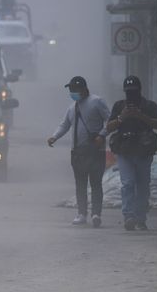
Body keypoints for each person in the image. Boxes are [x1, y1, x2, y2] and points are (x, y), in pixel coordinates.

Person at [47, 76, 111, 227]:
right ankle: (81, 213)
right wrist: (54, 137)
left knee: (96, 183)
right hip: (77, 152)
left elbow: (110, 121)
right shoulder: (72, 107)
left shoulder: (97, 102)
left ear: (83, 89)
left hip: (95, 151)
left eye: (74, 90)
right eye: (70, 90)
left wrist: (102, 135)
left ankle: (96, 213)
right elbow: (64, 125)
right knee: (80, 184)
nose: (72, 92)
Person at [104, 75, 157, 231]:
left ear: (140, 91)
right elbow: (109, 127)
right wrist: (121, 118)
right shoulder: (119, 106)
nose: (131, 95)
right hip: (124, 150)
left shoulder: (149, 105)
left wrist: (141, 116)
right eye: (128, 92)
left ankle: (141, 218)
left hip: (144, 151)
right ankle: (129, 216)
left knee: (143, 186)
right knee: (128, 183)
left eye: (134, 91)